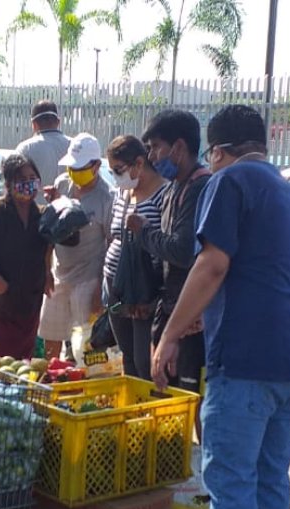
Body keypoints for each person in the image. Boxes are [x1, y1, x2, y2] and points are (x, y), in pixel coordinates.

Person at [155, 105, 290, 509]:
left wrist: (170, 334)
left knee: (231, 487)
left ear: (218, 151)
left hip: (246, 362)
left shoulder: (228, 181)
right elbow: (255, 273)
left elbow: (213, 265)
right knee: (269, 485)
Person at [129, 109, 213, 394]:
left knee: (189, 398)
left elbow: (181, 250)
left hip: (192, 320)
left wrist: (143, 231)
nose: (152, 157)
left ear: (178, 148)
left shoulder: (200, 187)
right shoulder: (173, 189)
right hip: (168, 308)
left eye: (155, 148)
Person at [0, 153, 53, 359]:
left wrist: (59, 206)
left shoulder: (42, 215)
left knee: (21, 368)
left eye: (32, 179)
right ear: (8, 184)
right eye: (22, 180)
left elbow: (66, 239)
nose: (28, 184)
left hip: (28, 306)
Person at [39, 132, 114, 358]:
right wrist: (46, 270)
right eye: (72, 167)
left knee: (85, 343)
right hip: (60, 274)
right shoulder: (63, 184)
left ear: (96, 166)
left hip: (88, 278)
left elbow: (110, 245)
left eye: (80, 168)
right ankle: (52, 378)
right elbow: (51, 231)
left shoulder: (106, 197)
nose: (74, 173)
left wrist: (100, 291)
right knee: (50, 333)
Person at [104, 134, 169, 378]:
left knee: (144, 361)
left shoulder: (163, 194)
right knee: (126, 355)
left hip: (143, 291)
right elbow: (113, 235)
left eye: (118, 170)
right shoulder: (122, 193)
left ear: (139, 163)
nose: (116, 177)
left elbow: (166, 246)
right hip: (116, 285)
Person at [15, 100, 72, 189]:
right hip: (70, 202)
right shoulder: (74, 146)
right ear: (58, 122)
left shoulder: (25, 149)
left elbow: (14, 182)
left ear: (34, 124)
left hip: (34, 202)